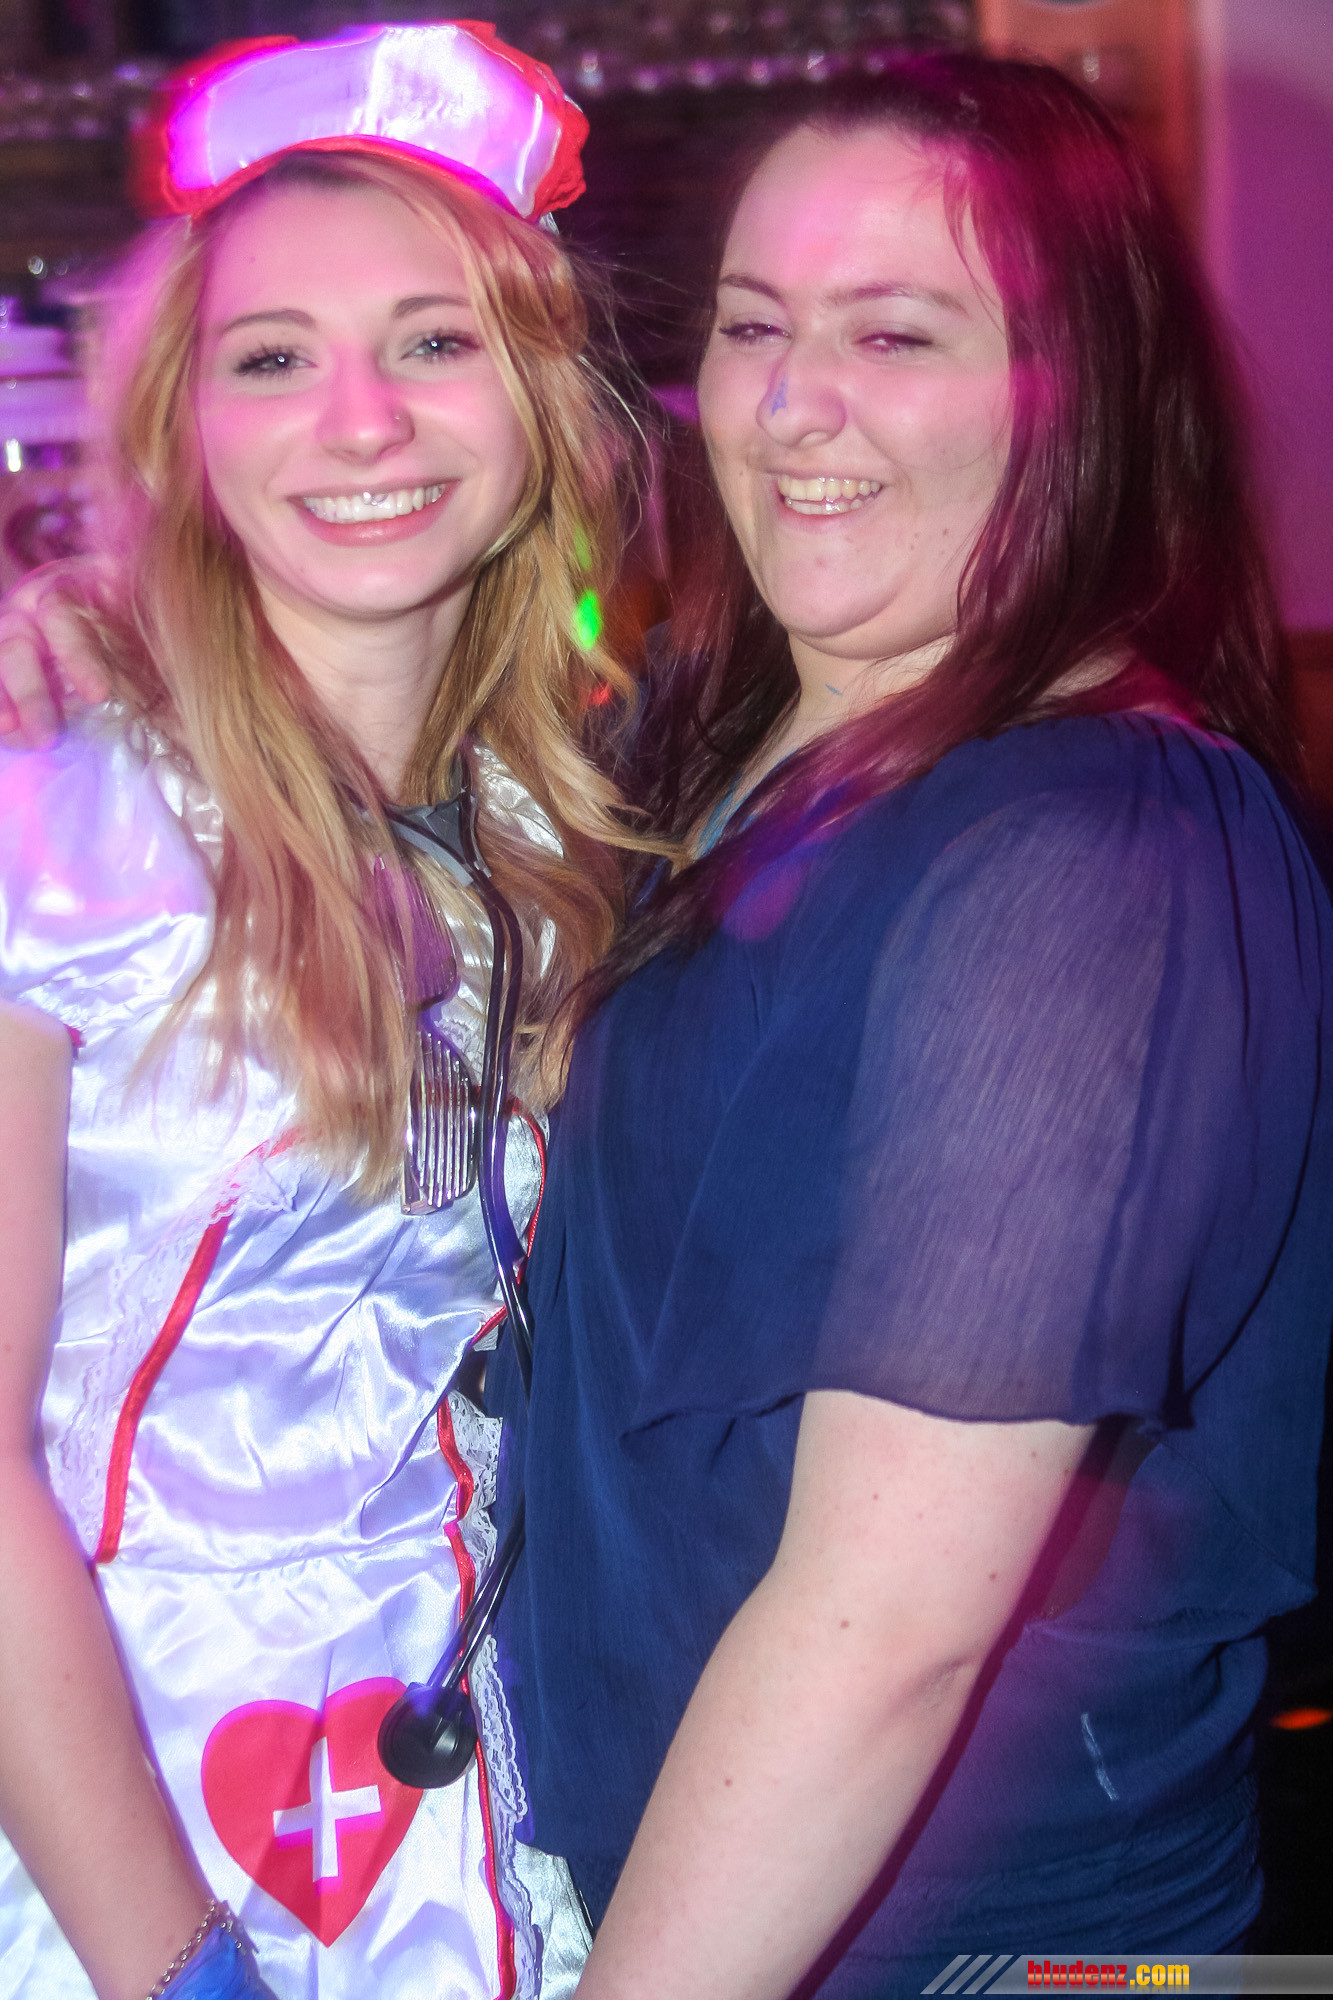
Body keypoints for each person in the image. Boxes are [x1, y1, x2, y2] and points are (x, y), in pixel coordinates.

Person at [472, 51, 1333, 1998]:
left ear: (1072, 388)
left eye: (893, 333)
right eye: (751, 324)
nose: (791, 404)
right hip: (742, 1896)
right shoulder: (740, 743)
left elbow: (889, 1630)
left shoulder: (1083, 852)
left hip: (966, 1942)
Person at [0, 24, 638, 2000]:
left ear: (538, 396)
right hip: (107, 1839)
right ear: (184, 424)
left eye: (433, 341)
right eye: (271, 359)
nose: (359, 422)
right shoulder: (57, 842)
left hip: (488, 1815)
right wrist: (166, 1965)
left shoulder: (567, 834)